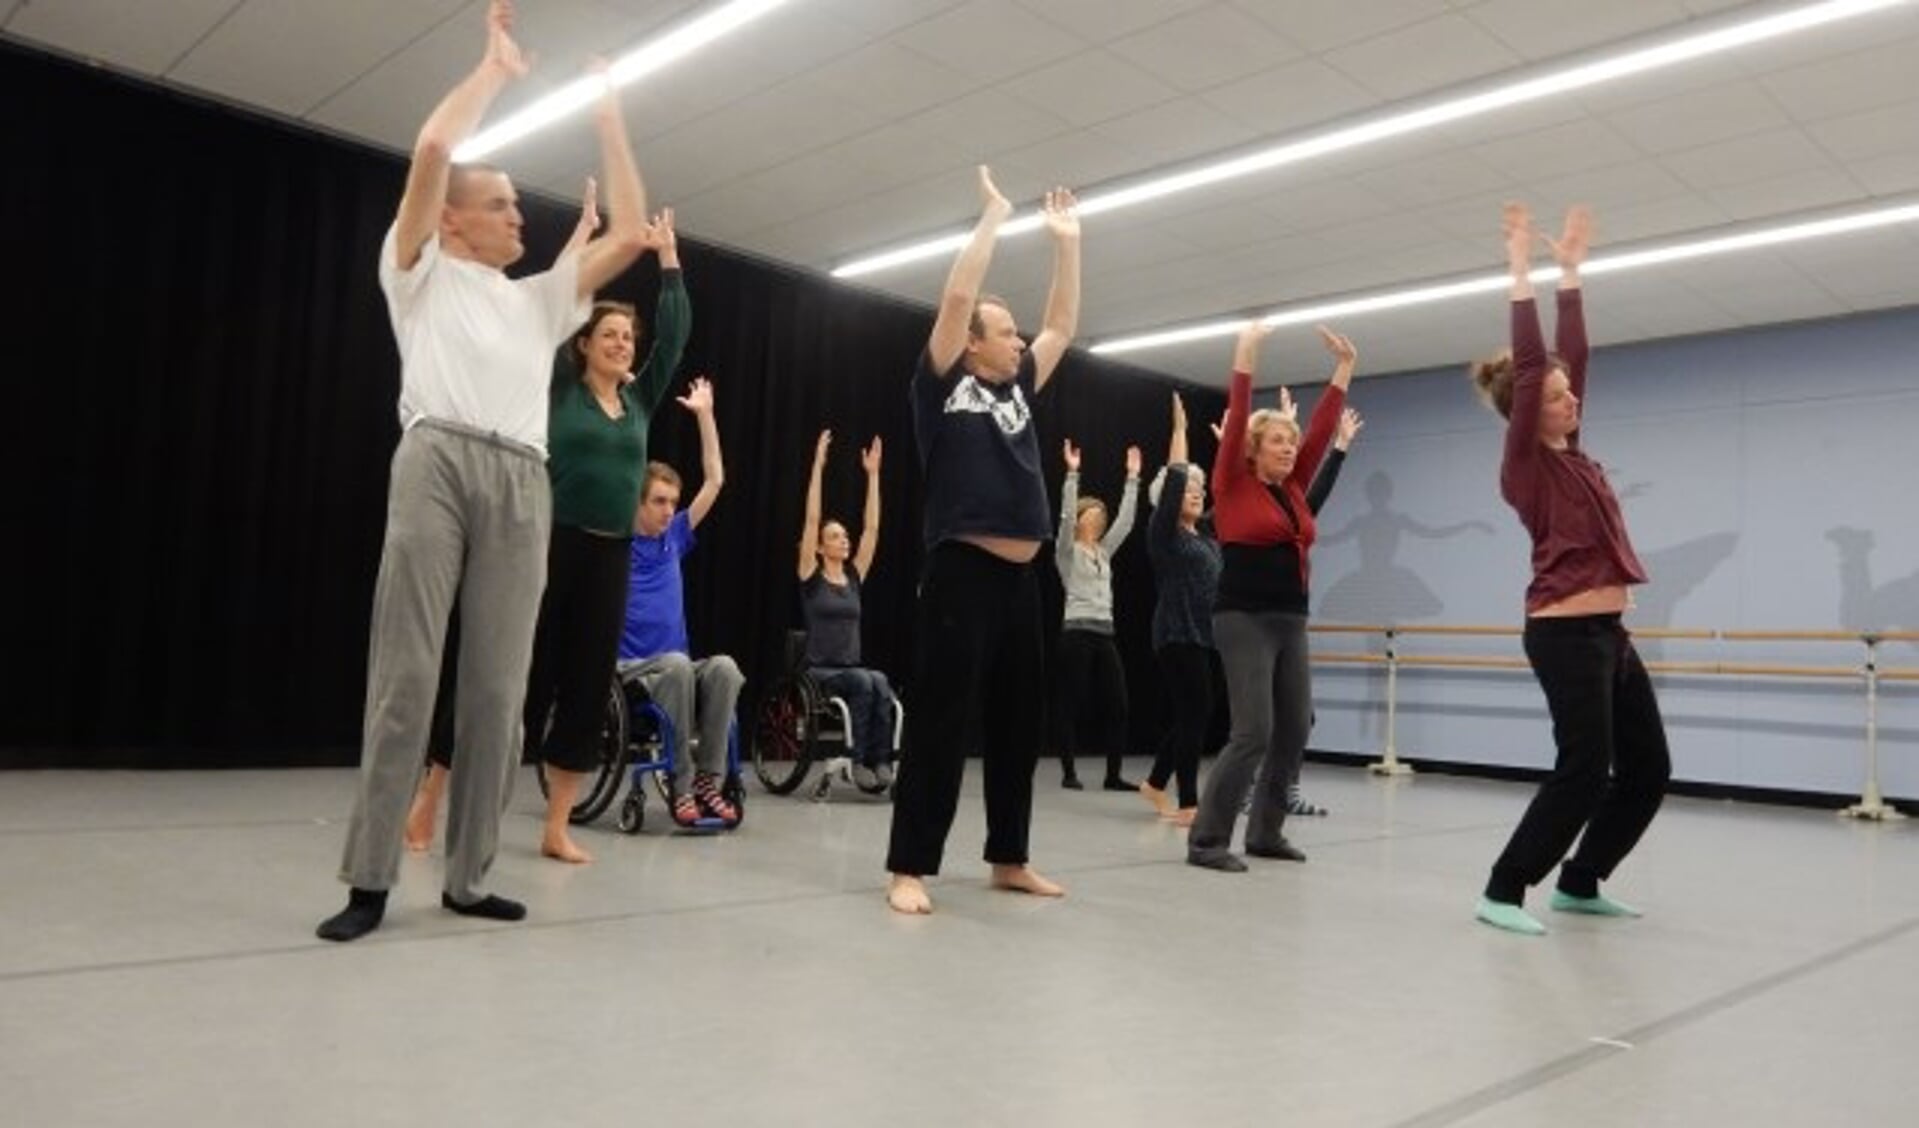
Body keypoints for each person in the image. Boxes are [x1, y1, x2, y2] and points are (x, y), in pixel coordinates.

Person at [319, 0, 653, 942]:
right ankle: (371, 878)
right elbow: (431, 149)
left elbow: (629, 232)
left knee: (501, 688)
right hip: (435, 460)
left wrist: (611, 117)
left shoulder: (541, 301)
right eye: (501, 203)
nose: (518, 214)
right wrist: (494, 72)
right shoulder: (415, 270)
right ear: (458, 223)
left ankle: (469, 877)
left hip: (521, 481)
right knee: (407, 678)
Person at [884, 166, 1081, 915]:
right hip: (960, 573)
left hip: (1022, 584)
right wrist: (995, 218)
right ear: (971, 347)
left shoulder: (1019, 387)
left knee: (1015, 723)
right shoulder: (938, 386)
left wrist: (1067, 245)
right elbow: (960, 299)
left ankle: (1008, 857)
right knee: (939, 719)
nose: (1018, 338)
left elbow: (1062, 324)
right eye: (1004, 332)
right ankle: (909, 866)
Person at [1471, 203, 1669, 936]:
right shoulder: (1523, 465)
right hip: (1562, 634)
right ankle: (1501, 888)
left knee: (1646, 770)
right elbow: (1534, 366)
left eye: (1567, 393)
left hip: (1608, 635)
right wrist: (1520, 270)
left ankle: (1580, 881)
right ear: (1526, 410)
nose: (1569, 396)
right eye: (1554, 397)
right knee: (1583, 769)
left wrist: (1572, 273)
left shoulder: (1576, 454)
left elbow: (1569, 357)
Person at [523, 206, 689, 864]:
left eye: (628, 336)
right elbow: (561, 299)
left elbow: (673, 337)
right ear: (585, 345)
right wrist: (587, 241)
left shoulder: (640, 402)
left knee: (588, 689)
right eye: (610, 334)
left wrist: (669, 265)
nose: (622, 343)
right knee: (519, 679)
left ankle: (557, 824)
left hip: (608, 555)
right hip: (550, 545)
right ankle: (435, 794)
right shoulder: (563, 388)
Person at [1185, 321, 1355, 873]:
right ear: (1253, 451)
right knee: (1252, 731)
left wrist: (1344, 370)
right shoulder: (1232, 486)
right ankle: (1208, 841)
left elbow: (1324, 430)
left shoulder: (1295, 489)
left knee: (1294, 727)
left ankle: (1266, 833)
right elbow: (1236, 419)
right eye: (1277, 441)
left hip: (1290, 619)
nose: (1289, 448)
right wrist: (1245, 355)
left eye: (1291, 442)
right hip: (1243, 619)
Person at [616, 377, 743, 829]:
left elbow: (716, 479)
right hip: (630, 669)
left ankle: (709, 780)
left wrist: (705, 415)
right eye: (659, 501)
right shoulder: (617, 539)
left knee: (725, 667)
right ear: (638, 499)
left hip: (675, 668)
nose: (670, 509)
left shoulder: (675, 537)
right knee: (673, 663)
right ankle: (681, 782)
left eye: (673, 501)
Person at [796, 430, 899, 789]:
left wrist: (873, 475)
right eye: (836, 537)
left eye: (844, 536)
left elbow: (872, 527)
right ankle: (856, 762)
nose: (845, 540)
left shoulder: (854, 576)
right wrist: (817, 467)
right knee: (862, 681)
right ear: (822, 548)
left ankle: (881, 760)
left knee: (880, 681)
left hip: (851, 670)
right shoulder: (811, 575)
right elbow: (811, 520)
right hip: (820, 672)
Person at [1139, 393, 1219, 827]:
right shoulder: (1164, 534)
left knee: (1195, 714)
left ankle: (1155, 781)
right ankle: (1188, 802)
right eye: (1189, 488)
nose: (1196, 492)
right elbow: (1174, 478)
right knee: (1195, 714)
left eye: (1199, 489)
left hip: (1203, 635)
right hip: (1175, 632)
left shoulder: (1206, 536)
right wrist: (1180, 433)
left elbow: (1233, 493)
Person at [1052, 441, 1141, 791]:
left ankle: (1113, 775)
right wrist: (1072, 474)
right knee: (1069, 703)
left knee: (1118, 704)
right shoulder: (1066, 551)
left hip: (1104, 633)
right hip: (1075, 632)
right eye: (1093, 515)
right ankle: (1069, 772)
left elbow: (1127, 522)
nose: (1100, 520)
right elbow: (1063, 517)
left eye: (1102, 517)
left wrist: (1132, 480)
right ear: (1080, 518)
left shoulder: (1104, 551)